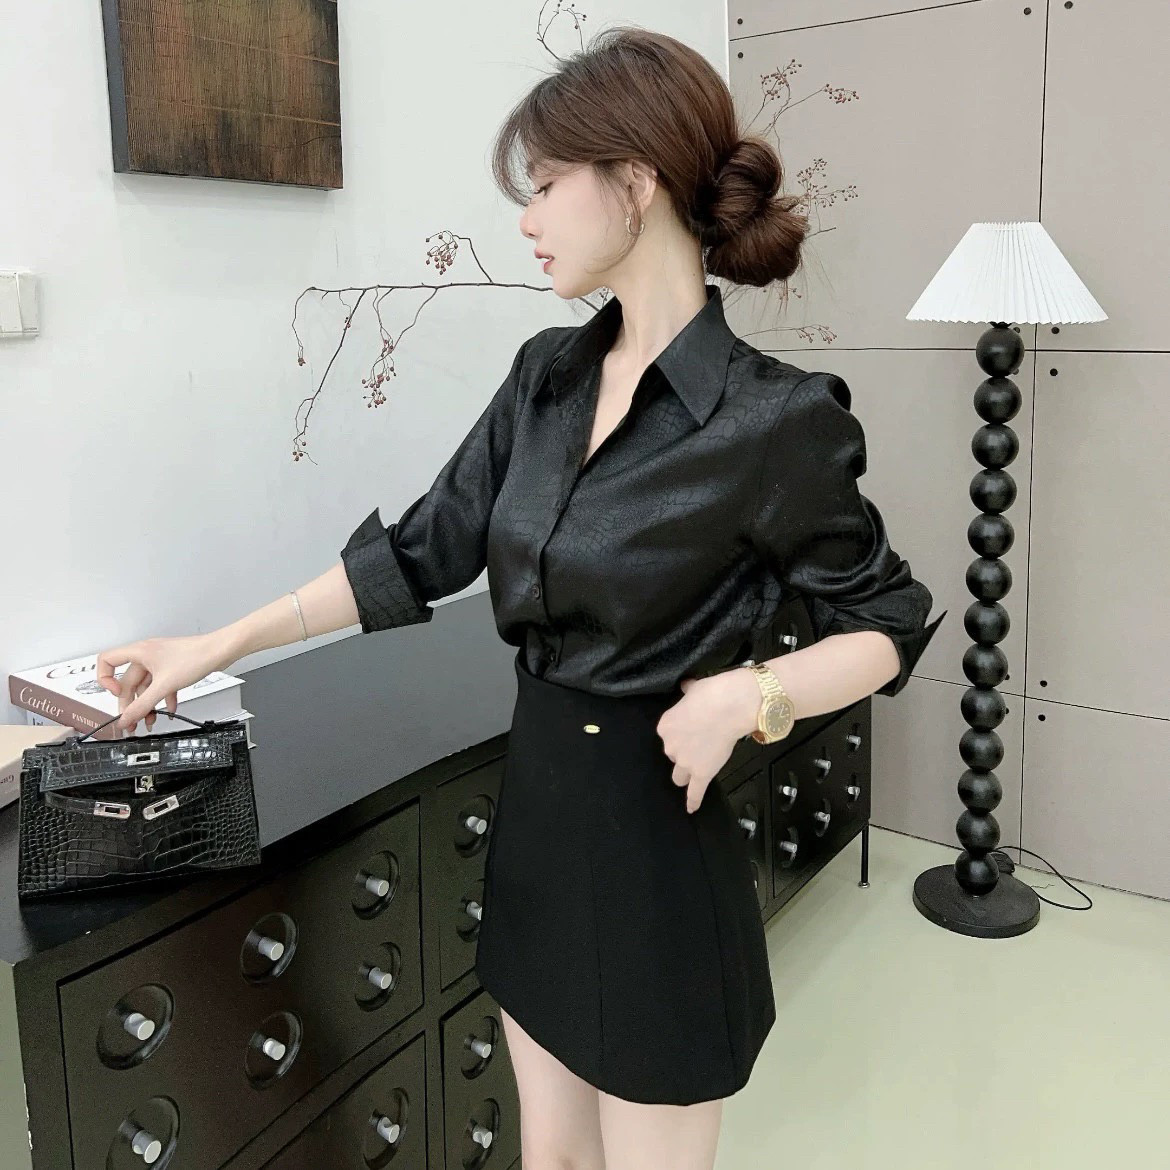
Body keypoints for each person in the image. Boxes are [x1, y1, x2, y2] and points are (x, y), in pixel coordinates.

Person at [97, 25, 945, 1170]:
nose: (527, 218)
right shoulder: (546, 376)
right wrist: (215, 646)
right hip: (537, 828)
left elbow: (888, 619)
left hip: (657, 854)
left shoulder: (774, 420)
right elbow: (420, 552)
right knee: (548, 1158)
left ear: (635, 182)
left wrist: (753, 696)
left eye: (545, 185)